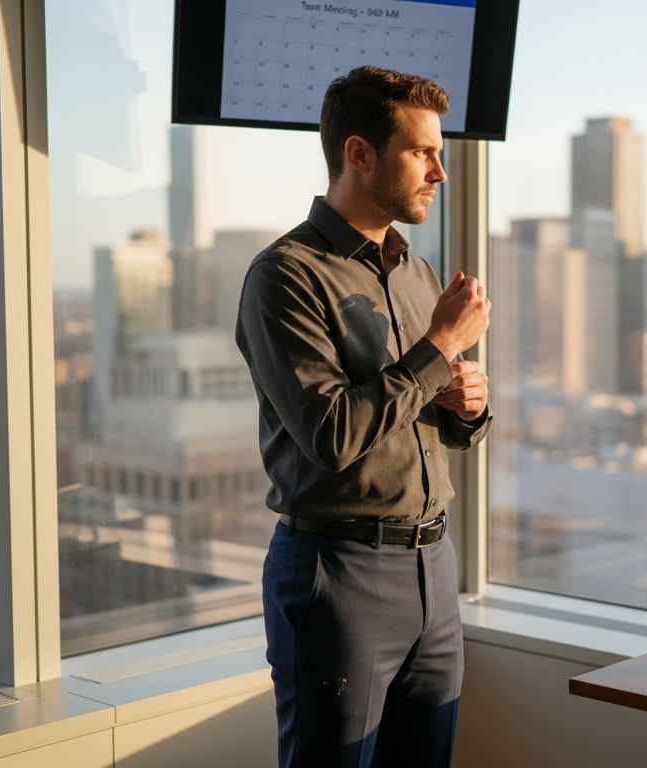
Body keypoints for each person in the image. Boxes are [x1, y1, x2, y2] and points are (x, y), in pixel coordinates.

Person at [235, 66, 491, 768]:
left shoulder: (416, 271)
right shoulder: (285, 275)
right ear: (359, 154)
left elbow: (423, 413)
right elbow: (332, 435)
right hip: (338, 572)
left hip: (433, 568)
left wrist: (469, 406)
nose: (440, 171)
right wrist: (439, 346)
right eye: (422, 152)